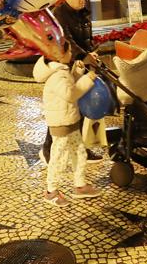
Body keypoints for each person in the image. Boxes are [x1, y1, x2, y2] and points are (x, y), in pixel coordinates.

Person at [33, 44, 102, 207]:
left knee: (79, 152)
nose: (72, 53)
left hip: (70, 120)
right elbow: (71, 94)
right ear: (58, 55)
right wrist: (89, 77)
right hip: (61, 123)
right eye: (69, 51)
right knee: (59, 158)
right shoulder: (57, 76)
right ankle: (51, 191)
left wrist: (78, 71)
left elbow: (70, 84)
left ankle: (80, 185)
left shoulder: (62, 70)